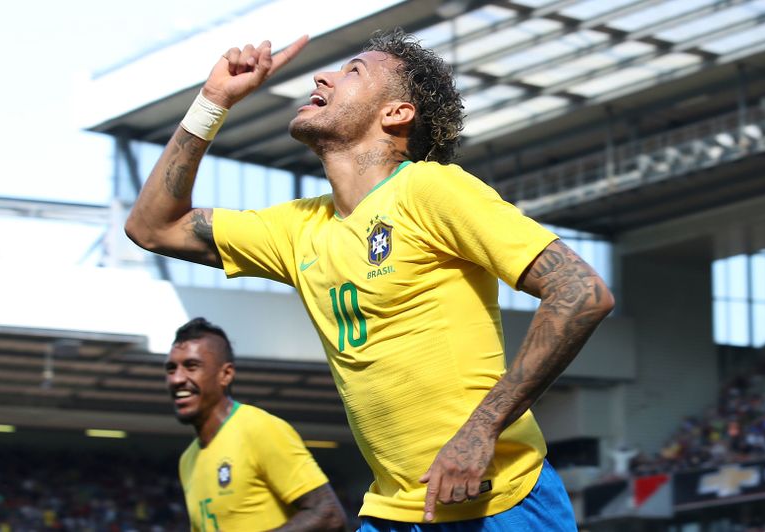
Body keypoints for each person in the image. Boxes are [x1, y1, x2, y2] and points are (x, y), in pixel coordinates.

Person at [129, 28, 615, 530]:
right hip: (392, 509)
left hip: (499, 501)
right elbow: (152, 228)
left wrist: (482, 429)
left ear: (396, 113)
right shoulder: (297, 228)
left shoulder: (428, 189)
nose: (323, 77)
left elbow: (580, 291)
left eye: (353, 71)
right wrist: (213, 101)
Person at [166, 317, 346, 531]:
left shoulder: (259, 429)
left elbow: (328, 513)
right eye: (171, 369)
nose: (176, 379)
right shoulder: (188, 460)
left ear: (226, 374)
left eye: (191, 366)